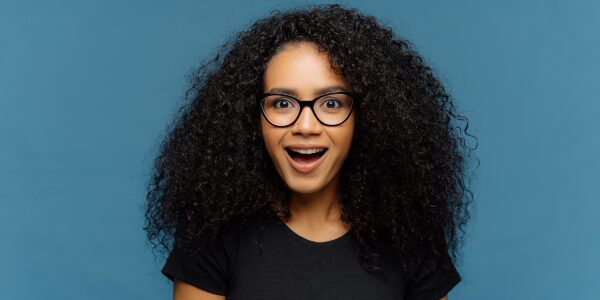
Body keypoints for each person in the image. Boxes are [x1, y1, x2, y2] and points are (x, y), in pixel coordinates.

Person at [144, 4, 476, 300]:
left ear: (367, 118)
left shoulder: (410, 236)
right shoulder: (211, 233)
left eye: (331, 103)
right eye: (282, 103)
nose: (305, 125)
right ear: (253, 118)